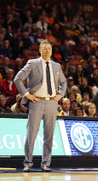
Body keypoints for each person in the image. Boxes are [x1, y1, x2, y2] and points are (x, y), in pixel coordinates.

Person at [14, 40, 67, 172]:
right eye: (44, 48)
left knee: (49, 135)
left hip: (52, 103)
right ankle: (27, 163)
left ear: (52, 50)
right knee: (31, 133)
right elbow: (18, 79)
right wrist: (27, 95)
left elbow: (64, 82)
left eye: (49, 48)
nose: (47, 50)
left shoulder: (57, 66)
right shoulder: (32, 63)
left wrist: (60, 94)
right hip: (36, 102)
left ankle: (46, 164)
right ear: (40, 50)